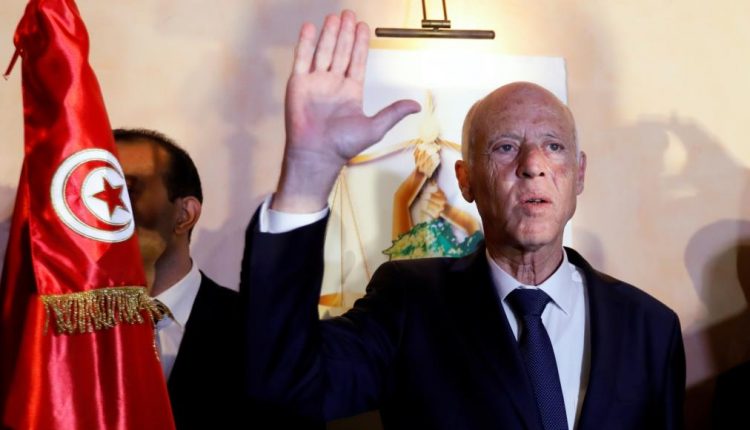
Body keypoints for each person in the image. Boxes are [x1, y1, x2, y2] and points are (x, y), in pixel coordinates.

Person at [243, 10, 686, 429]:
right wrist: (306, 173)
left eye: (553, 146)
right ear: (466, 179)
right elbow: (287, 386)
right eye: (505, 147)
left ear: (579, 174)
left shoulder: (650, 327)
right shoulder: (409, 303)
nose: (533, 165)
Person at [114, 129, 245, 429]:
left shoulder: (258, 330)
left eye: (127, 190)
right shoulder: (48, 332)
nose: (100, 210)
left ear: (185, 214)